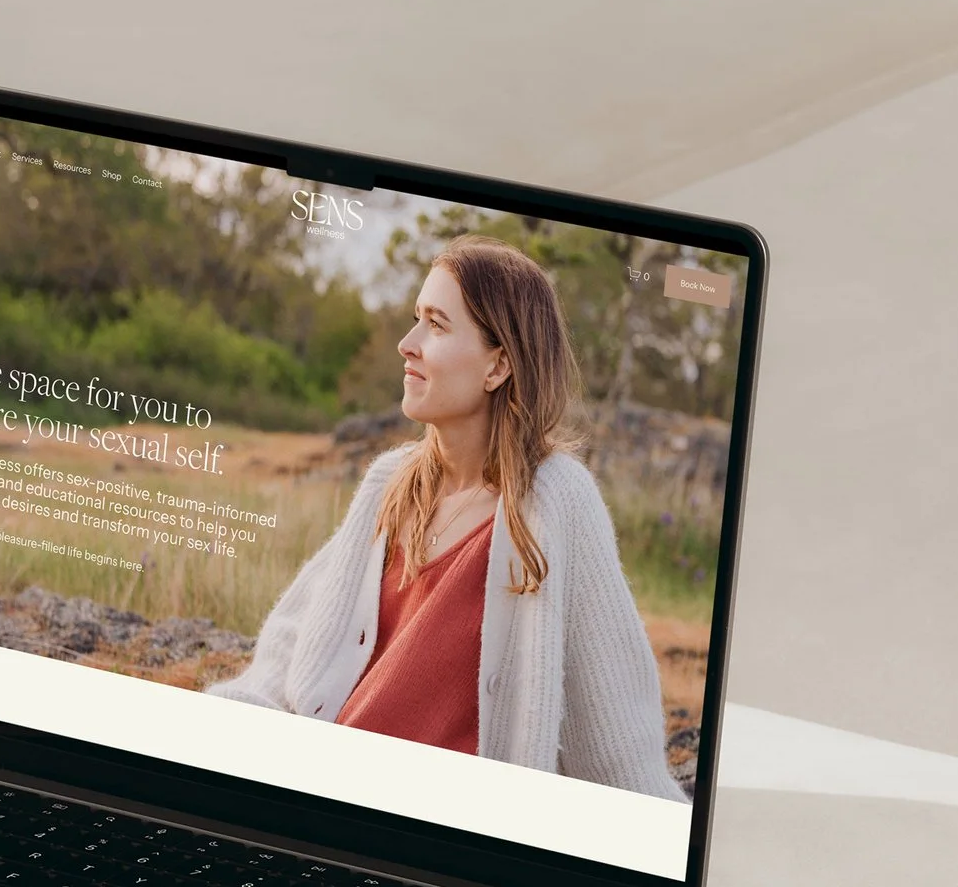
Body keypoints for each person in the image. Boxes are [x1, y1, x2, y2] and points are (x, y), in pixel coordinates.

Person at [211, 235, 684, 800]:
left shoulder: (556, 501)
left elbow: (615, 729)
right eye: (416, 319)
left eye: (436, 325)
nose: (407, 345)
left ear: (498, 364)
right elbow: (293, 644)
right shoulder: (392, 481)